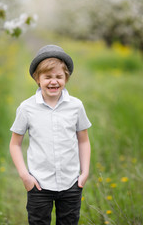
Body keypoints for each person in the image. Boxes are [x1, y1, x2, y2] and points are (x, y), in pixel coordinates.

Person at [9, 45, 92, 225]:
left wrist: (84, 172)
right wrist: (25, 176)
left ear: (66, 78)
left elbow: (83, 140)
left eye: (58, 77)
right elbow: (15, 144)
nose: (53, 81)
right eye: (47, 77)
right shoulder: (27, 108)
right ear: (37, 79)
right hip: (39, 184)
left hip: (71, 182)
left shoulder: (76, 106)